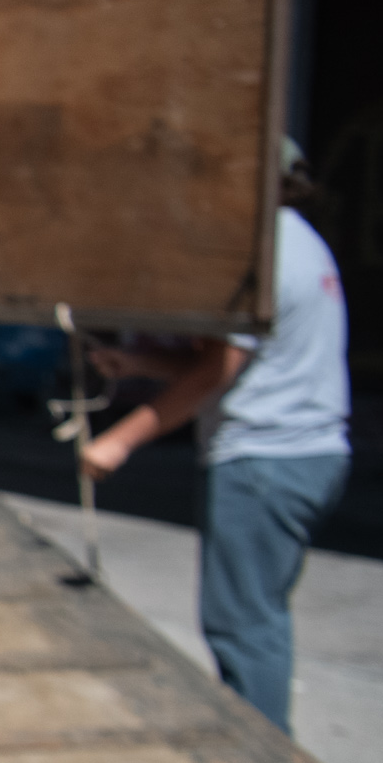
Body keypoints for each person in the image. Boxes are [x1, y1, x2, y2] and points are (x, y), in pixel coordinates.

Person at [83, 145, 352, 730]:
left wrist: (120, 441)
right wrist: (139, 361)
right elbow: (243, 359)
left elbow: (216, 371)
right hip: (312, 452)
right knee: (258, 615)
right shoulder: (301, 240)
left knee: (244, 626)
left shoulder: (259, 258)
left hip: (265, 459)